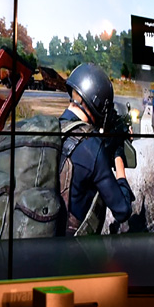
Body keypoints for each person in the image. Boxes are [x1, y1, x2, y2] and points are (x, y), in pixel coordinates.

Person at [59, 63, 134, 236]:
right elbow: (122, 210)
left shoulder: (52, 129)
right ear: (98, 104)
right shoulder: (92, 148)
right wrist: (118, 156)